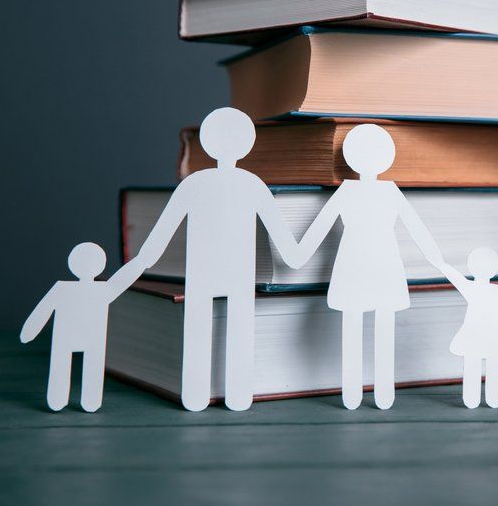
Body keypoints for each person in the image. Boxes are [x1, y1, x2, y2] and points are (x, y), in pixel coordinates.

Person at [124, 107, 304, 412]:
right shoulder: (251, 184)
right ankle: (234, 395)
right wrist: (304, 253)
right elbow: (287, 246)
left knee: (201, 328)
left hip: (209, 273)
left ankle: (199, 395)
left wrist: (139, 264)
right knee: (236, 329)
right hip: (232, 274)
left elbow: (158, 238)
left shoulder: (196, 183)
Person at [294, 124, 444, 410]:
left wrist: (437, 258)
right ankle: (362, 394)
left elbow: (417, 228)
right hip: (368, 264)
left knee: (370, 325)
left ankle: (374, 393)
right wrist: (437, 258)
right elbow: (417, 229)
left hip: (370, 263)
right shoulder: (366, 191)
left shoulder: (377, 191)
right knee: (368, 325)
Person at [20, 242, 140, 412]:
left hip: (72, 336)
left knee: (68, 364)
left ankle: (61, 399)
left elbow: (42, 311)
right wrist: (141, 262)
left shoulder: (65, 288)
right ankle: (85, 401)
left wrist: (30, 331)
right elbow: (123, 279)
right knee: (90, 365)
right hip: (87, 337)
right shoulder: (102, 290)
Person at [440, 247, 498, 409]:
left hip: (484, 335)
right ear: (494, 269)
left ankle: (478, 399)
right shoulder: (489, 289)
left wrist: (443, 265)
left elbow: (455, 277)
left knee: (477, 362)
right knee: (487, 362)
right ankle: (482, 399)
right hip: (486, 335)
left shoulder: (474, 288)